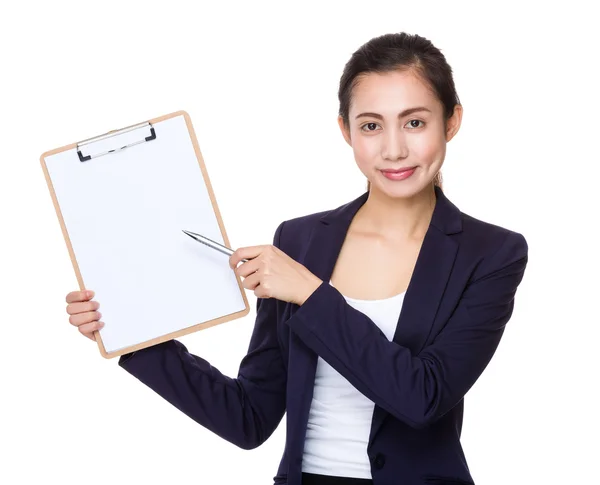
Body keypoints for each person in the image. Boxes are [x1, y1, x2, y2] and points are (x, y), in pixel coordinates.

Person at [65, 32, 528, 485]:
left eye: (414, 122)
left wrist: (310, 293)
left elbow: (421, 398)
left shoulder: (491, 253)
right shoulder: (300, 240)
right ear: (345, 129)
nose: (393, 149)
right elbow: (248, 417)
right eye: (371, 125)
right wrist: (134, 335)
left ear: (451, 122)